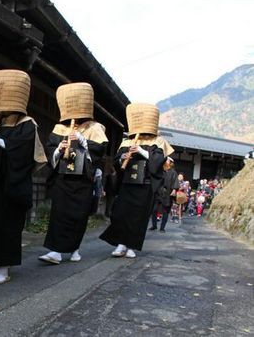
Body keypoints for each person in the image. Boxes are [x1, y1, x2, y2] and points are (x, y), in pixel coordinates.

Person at [0, 69, 46, 284]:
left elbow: (25, 153)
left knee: (8, 226)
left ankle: (4, 268)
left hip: (13, 185)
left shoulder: (27, 124)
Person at [39, 82, 108, 264]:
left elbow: (99, 151)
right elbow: (49, 150)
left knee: (78, 215)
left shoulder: (95, 128)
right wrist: (59, 150)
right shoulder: (60, 128)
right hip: (62, 178)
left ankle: (74, 249)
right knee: (59, 213)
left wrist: (83, 141)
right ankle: (55, 251)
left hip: (83, 180)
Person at [99, 103, 174, 258]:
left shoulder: (158, 141)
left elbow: (159, 161)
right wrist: (123, 158)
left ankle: (131, 246)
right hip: (128, 183)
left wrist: (140, 150)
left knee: (137, 216)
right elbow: (116, 161)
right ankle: (121, 244)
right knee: (120, 213)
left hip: (145, 184)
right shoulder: (127, 141)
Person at [149, 157, 179, 232]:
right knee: (154, 209)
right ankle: (154, 225)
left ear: (171, 163)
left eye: (167, 160)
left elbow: (175, 182)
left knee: (165, 211)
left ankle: (162, 228)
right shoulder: (160, 170)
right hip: (158, 192)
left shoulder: (173, 172)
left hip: (167, 194)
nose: (165, 161)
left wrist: (174, 190)